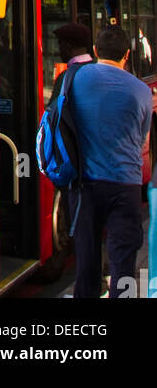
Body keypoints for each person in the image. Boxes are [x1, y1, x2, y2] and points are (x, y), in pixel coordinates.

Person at [70, 26, 152, 299]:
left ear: (95, 50)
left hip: (84, 183)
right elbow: (141, 138)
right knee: (123, 261)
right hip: (125, 184)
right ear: (126, 55)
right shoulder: (141, 90)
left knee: (87, 259)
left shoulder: (76, 78)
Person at [48, 22, 93, 104]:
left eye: (60, 46)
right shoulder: (101, 69)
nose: (59, 51)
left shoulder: (66, 77)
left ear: (67, 47)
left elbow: (52, 113)